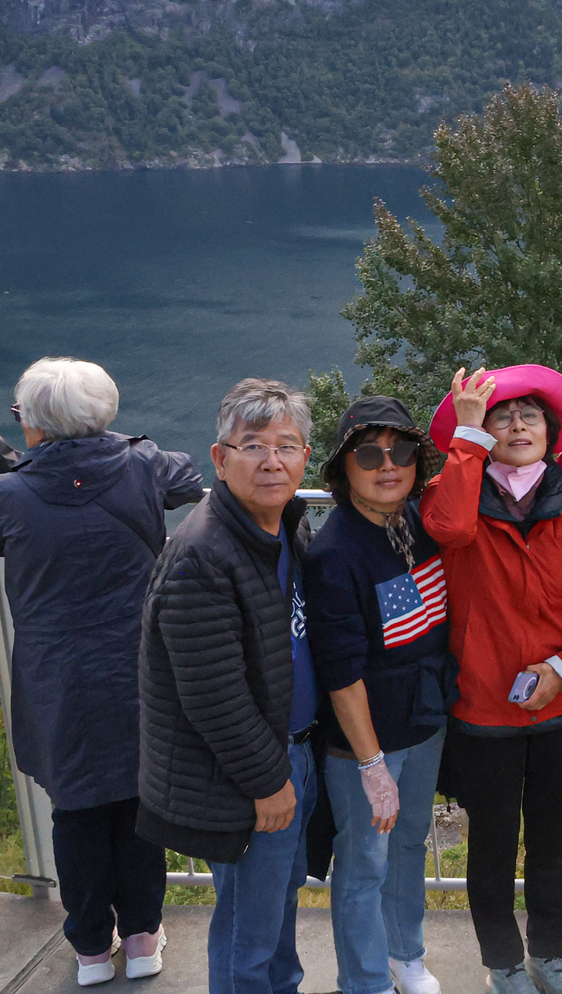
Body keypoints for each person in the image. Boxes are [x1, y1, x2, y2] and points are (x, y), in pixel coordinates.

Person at [421, 365, 562, 994]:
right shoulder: (454, 490)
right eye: (501, 416)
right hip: (481, 709)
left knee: (551, 840)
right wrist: (465, 438)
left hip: (559, 707)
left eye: (530, 416)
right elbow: (449, 529)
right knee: (490, 845)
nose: (516, 425)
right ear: (481, 431)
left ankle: (548, 953)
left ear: (552, 433)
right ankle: (502, 963)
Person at [0, 358, 202, 986]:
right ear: (105, 413)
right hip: (136, 666)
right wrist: (114, 444)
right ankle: (142, 937)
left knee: (76, 809)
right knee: (140, 804)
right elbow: (190, 477)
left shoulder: (8, 492)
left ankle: (90, 949)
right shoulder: (141, 466)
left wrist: (19, 461)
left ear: (30, 422)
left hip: (55, 675)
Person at [137, 379, 319, 994]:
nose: (273, 461)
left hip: (290, 754)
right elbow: (212, 693)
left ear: (305, 457)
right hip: (247, 777)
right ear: (219, 458)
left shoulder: (281, 530)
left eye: (287, 446)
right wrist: (268, 782)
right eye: (253, 446)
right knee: (249, 933)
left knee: (277, 917)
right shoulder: (203, 554)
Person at [304, 397, 455, 994]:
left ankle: (404, 954)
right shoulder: (335, 553)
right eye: (370, 454)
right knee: (364, 864)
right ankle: (363, 981)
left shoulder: (419, 522)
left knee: (411, 844)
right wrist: (371, 766)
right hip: (365, 740)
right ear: (344, 470)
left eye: (403, 452)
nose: (388, 465)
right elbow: (340, 673)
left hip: (423, 720)